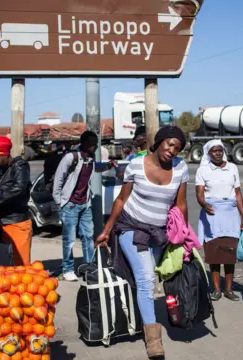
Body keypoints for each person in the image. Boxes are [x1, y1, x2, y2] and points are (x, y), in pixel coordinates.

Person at [95, 126, 189, 359]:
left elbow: (181, 205)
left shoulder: (181, 168)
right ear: (157, 143)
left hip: (159, 233)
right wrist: (106, 230)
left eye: (177, 148)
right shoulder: (136, 165)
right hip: (131, 228)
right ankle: (153, 340)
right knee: (147, 280)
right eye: (169, 144)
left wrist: (183, 236)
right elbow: (122, 199)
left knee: (146, 278)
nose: (172, 150)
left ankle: (137, 317)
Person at [53, 131, 116, 281]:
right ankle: (68, 268)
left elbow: (96, 168)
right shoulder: (71, 157)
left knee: (88, 237)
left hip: (85, 204)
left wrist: (108, 165)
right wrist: (59, 202)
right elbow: (58, 179)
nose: (95, 146)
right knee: (69, 239)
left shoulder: (90, 159)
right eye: (93, 143)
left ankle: (89, 267)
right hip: (69, 205)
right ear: (85, 143)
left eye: (96, 143)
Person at [196, 139, 243, 301]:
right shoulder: (203, 170)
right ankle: (217, 289)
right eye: (214, 151)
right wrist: (203, 204)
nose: (217, 153)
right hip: (212, 215)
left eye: (220, 150)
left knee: (230, 254)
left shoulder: (233, 168)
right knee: (214, 254)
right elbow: (200, 194)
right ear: (208, 153)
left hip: (231, 215)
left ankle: (229, 289)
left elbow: (237, 193)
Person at [0, 136, 33, 265]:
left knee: (19, 267)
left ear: (5, 154)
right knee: (5, 267)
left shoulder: (20, 165)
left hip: (17, 223)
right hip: (3, 223)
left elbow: (19, 188)